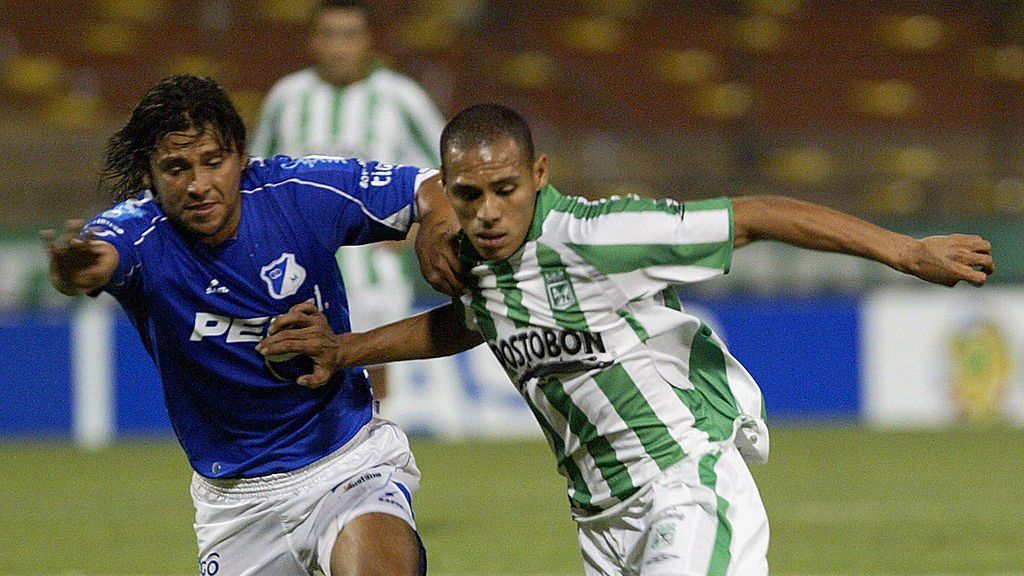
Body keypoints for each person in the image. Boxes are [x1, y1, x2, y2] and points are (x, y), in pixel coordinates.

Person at [256, 103, 996, 575]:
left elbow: (755, 214)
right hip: (599, 524)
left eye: (506, 189)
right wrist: (347, 350)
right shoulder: (479, 270)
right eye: (469, 195)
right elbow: (468, 325)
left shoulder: (599, 235)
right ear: (444, 193)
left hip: (686, 488)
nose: (487, 211)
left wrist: (904, 252)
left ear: (539, 175)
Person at [42, 73, 461, 576]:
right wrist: (75, 275)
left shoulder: (300, 192)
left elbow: (429, 186)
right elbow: (99, 257)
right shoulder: (137, 231)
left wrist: (437, 227)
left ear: (242, 155)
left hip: (346, 465)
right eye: (176, 168)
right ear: (149, 175)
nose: (198, 185)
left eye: (213, 162)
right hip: (236, 503)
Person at [251, 0, 448, 402]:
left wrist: (418, 226)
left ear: (368, 42)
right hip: (295, 269)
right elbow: (254, 177)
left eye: (350, 35)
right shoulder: (287, 97)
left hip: (373, 271)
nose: (339, 47)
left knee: (374, 378)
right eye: (329, 35)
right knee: (295, 373)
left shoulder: (400, 96)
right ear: (313, 42)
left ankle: (377, 457)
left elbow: (447, 169)